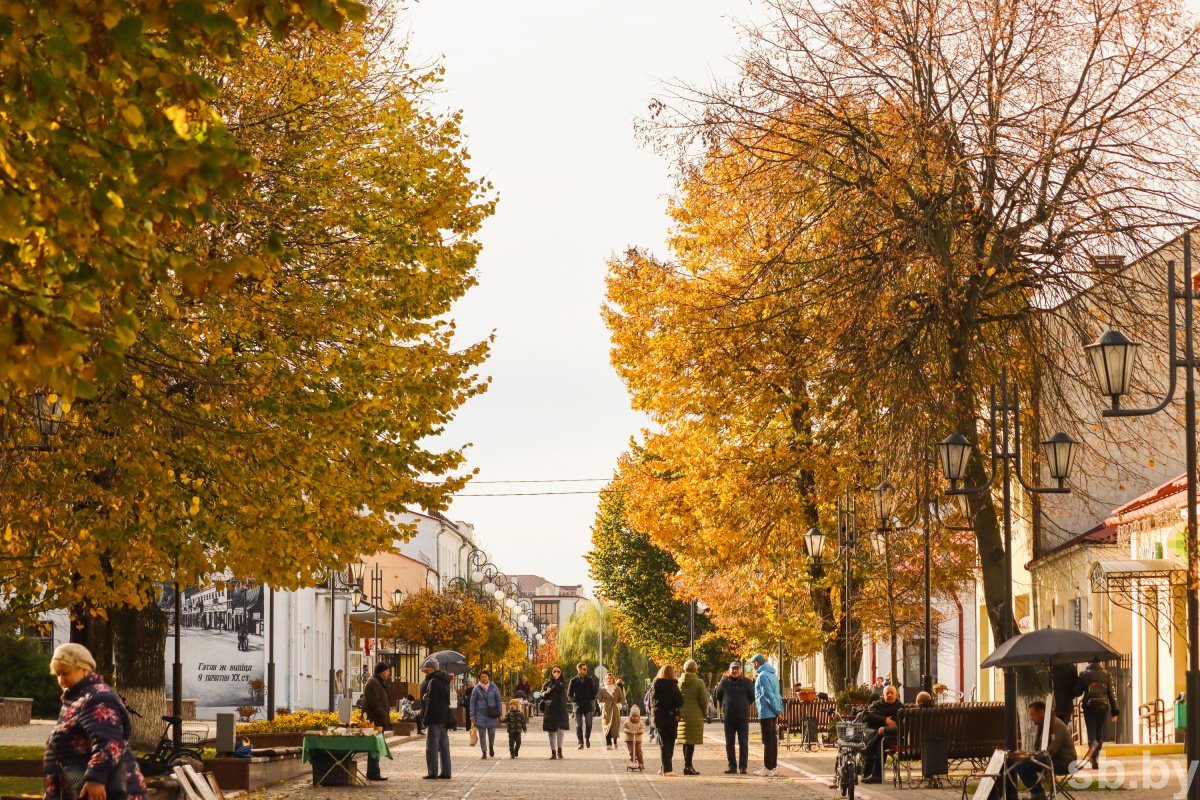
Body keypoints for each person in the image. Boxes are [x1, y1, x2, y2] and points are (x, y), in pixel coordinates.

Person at [44, 643, 147, 800]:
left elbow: (109, 743)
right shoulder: (78, 699)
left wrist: (96, 778)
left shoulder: (98, 698)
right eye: (57, 674)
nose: (61, 680)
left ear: (84, 669)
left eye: (65, 673)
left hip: (105, 792)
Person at [1011, 700, 1076, 800]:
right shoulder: (1044, 725)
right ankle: (1037, 794)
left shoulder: (1054, 725)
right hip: (1054, 760)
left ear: (1042, 713)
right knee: (1019, 763)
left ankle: (1038, 795)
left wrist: (1029, 756)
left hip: (1065, 762)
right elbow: (1040, 750)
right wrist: (1026, 755)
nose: (1031, 718)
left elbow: (1050, 751)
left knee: (1024, 764)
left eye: (1033, 714)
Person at [715, 660, 754, 775]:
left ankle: (743, 767)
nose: (735, 671)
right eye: (733, 669)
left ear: (740, 670)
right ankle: (732, 766)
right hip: (729, 718)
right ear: (729, 670)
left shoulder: (747, 682)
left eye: (737, 668)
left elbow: (752, 697)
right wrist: (726, 706)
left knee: (743, 743)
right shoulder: (724, 682)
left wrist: (743, 705)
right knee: (729, 744)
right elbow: (719, 696)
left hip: (742, 718)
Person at [1077, 659, 1119, 768]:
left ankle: (1093, 757)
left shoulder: (1084, 674)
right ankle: (1096, 755)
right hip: (1103, 706)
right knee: (1099, 731)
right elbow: (1112, 693)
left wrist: (1077, 682)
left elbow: (1077, 691)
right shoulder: (1106, 674)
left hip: (1089, 707)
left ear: (1089, 662)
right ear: (1099, 662)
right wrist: (1114, 710)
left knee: (1091, 731)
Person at [861, 684, 903, 784]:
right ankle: (871, 774)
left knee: (880, 743)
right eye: (887, 693)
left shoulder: (900, 708)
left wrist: (884, 729)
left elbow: (899, 726)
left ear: (896, 695)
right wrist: (885, 720)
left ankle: (873, 774)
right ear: (883, 695)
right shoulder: (876, 704)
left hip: (890, 736)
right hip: (873, 731)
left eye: (892, 693)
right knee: (876, 737)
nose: (889, 695)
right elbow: (866, 717)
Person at [419, 656, 452, 780]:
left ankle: (432, 772)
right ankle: (446, 771)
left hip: (434, 717)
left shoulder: (433, 681)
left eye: (427, 667)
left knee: (432, 746)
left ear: (433, 668)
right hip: (444, 717)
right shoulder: (444, 680)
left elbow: (432, 702)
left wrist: (426, 718)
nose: (425, 669)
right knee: (444, 745)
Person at [750, 654, 782, 777]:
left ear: (757, 663)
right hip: (773, 712)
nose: (753, 665)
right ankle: (773, 767)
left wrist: (776, 709)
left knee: (767, 740)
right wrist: (778, 710)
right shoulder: (773, 675)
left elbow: (767, 694)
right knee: (773, 740)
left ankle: (768, 767)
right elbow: (777, 694)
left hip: (766, 712)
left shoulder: (762, 676)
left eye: (753, 663)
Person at [361, 662, 392, 781]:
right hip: (374, 721)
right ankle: (373, 772)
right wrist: (384, 715)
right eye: (387, 670)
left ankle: (374, 771)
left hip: (378, 720)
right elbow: (374, 703)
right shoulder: (373, 682)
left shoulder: (378, 682)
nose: (389, 673)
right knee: (374, 747)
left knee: (376, 747)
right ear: (382, 671)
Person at [652, 664, 683, 776]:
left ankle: (664, 768)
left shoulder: (656, 684)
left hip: (659, 716)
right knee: (669, 742)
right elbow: (680, 702)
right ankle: (668, 770)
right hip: (671, 716)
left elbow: (653, 699)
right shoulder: (673, 685)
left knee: (663, 742)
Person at [678, 660, 707, 776]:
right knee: (691, 743)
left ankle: (687, 765)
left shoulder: (679, 682)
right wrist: (704, 714)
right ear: (695, 669)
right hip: (695, 716)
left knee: (686, 741)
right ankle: (688, 766)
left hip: (682, 716)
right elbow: (703, 701)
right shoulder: (699, 682)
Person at [469, 669, 503, 759]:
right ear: (479, 679)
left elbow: (498, 701)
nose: (484, 678)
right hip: (480, 714)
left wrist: (500, 713)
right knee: (482, 734)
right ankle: (484, 751)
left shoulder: (494, 687)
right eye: (482, 677)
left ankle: (491, 746)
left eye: (486, 676)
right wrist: (472, 715)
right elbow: (472, 702)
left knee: (492, 733)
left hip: (491, 714)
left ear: (488, 677)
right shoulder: (476, 689)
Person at [542, 665, 570, 759]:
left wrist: (557, 680)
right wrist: (546, 692)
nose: (556, 673)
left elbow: (562, 689)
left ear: (561, 673)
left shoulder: (563, 683)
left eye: (558, 671)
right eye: (554, 671)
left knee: (560, 731)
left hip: (561, 709)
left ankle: (559, 750)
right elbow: (542, 694)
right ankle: (553, 752)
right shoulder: (547, 683)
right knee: (551, 732)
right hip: (550, 710)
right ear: (551, 672)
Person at [568, 662, 598, 749]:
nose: (586, 671)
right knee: (579, 725)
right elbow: (569, 694)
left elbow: (594, 692)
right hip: (577, 706)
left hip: (588, 705)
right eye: (584, 669)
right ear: (579, 669)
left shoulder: (589, 680)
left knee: (589, 723)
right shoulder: (573, 680)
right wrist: (574, 701)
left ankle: (587, 737)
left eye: (586, 669)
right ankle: (580, 742)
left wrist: (593, 699)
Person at [598, 673, 626, 749]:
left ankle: (615, 741)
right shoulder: (602, 689)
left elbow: (622, 699)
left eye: (610, 678)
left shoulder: (617, 689)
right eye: (607, 678)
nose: (609, 680)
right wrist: (601, 704)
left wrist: (619, 704)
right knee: (606, 726)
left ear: (613, 679)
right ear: (605, 679)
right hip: (606, 709)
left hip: (615, 709)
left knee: (615, 726)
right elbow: (599, 699)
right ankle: (608, 743)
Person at [623, 705, 646, 769]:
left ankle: (641, 763)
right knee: (631, 752)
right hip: (629, 739)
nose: (635, 718)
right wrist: (627, 731)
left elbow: (643, 728)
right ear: (630, 715)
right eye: (633, 716)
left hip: (638, 739)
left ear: (639, 716)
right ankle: (633, 761)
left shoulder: (640, 722)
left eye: (636, 716)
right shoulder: (627, 722)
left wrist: (640, 731)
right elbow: (624, 728)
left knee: (639, 751)